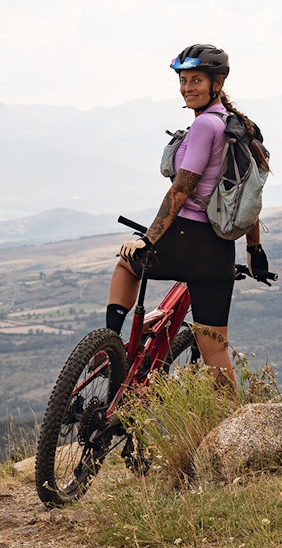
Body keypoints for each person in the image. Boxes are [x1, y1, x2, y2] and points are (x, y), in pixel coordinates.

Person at [105, 43, 271, 386]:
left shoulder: (205, 127)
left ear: (217, 84)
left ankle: (108, 348)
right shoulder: (239, 126)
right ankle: (229, 426)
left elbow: (181, 190)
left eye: (196, 80)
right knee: (215, 351)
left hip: (184, 239)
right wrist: (254, 250)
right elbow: (245, 195)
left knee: (125, 264)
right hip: (219, 252)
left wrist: (147, 240)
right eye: (183, 80)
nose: (187, 87)